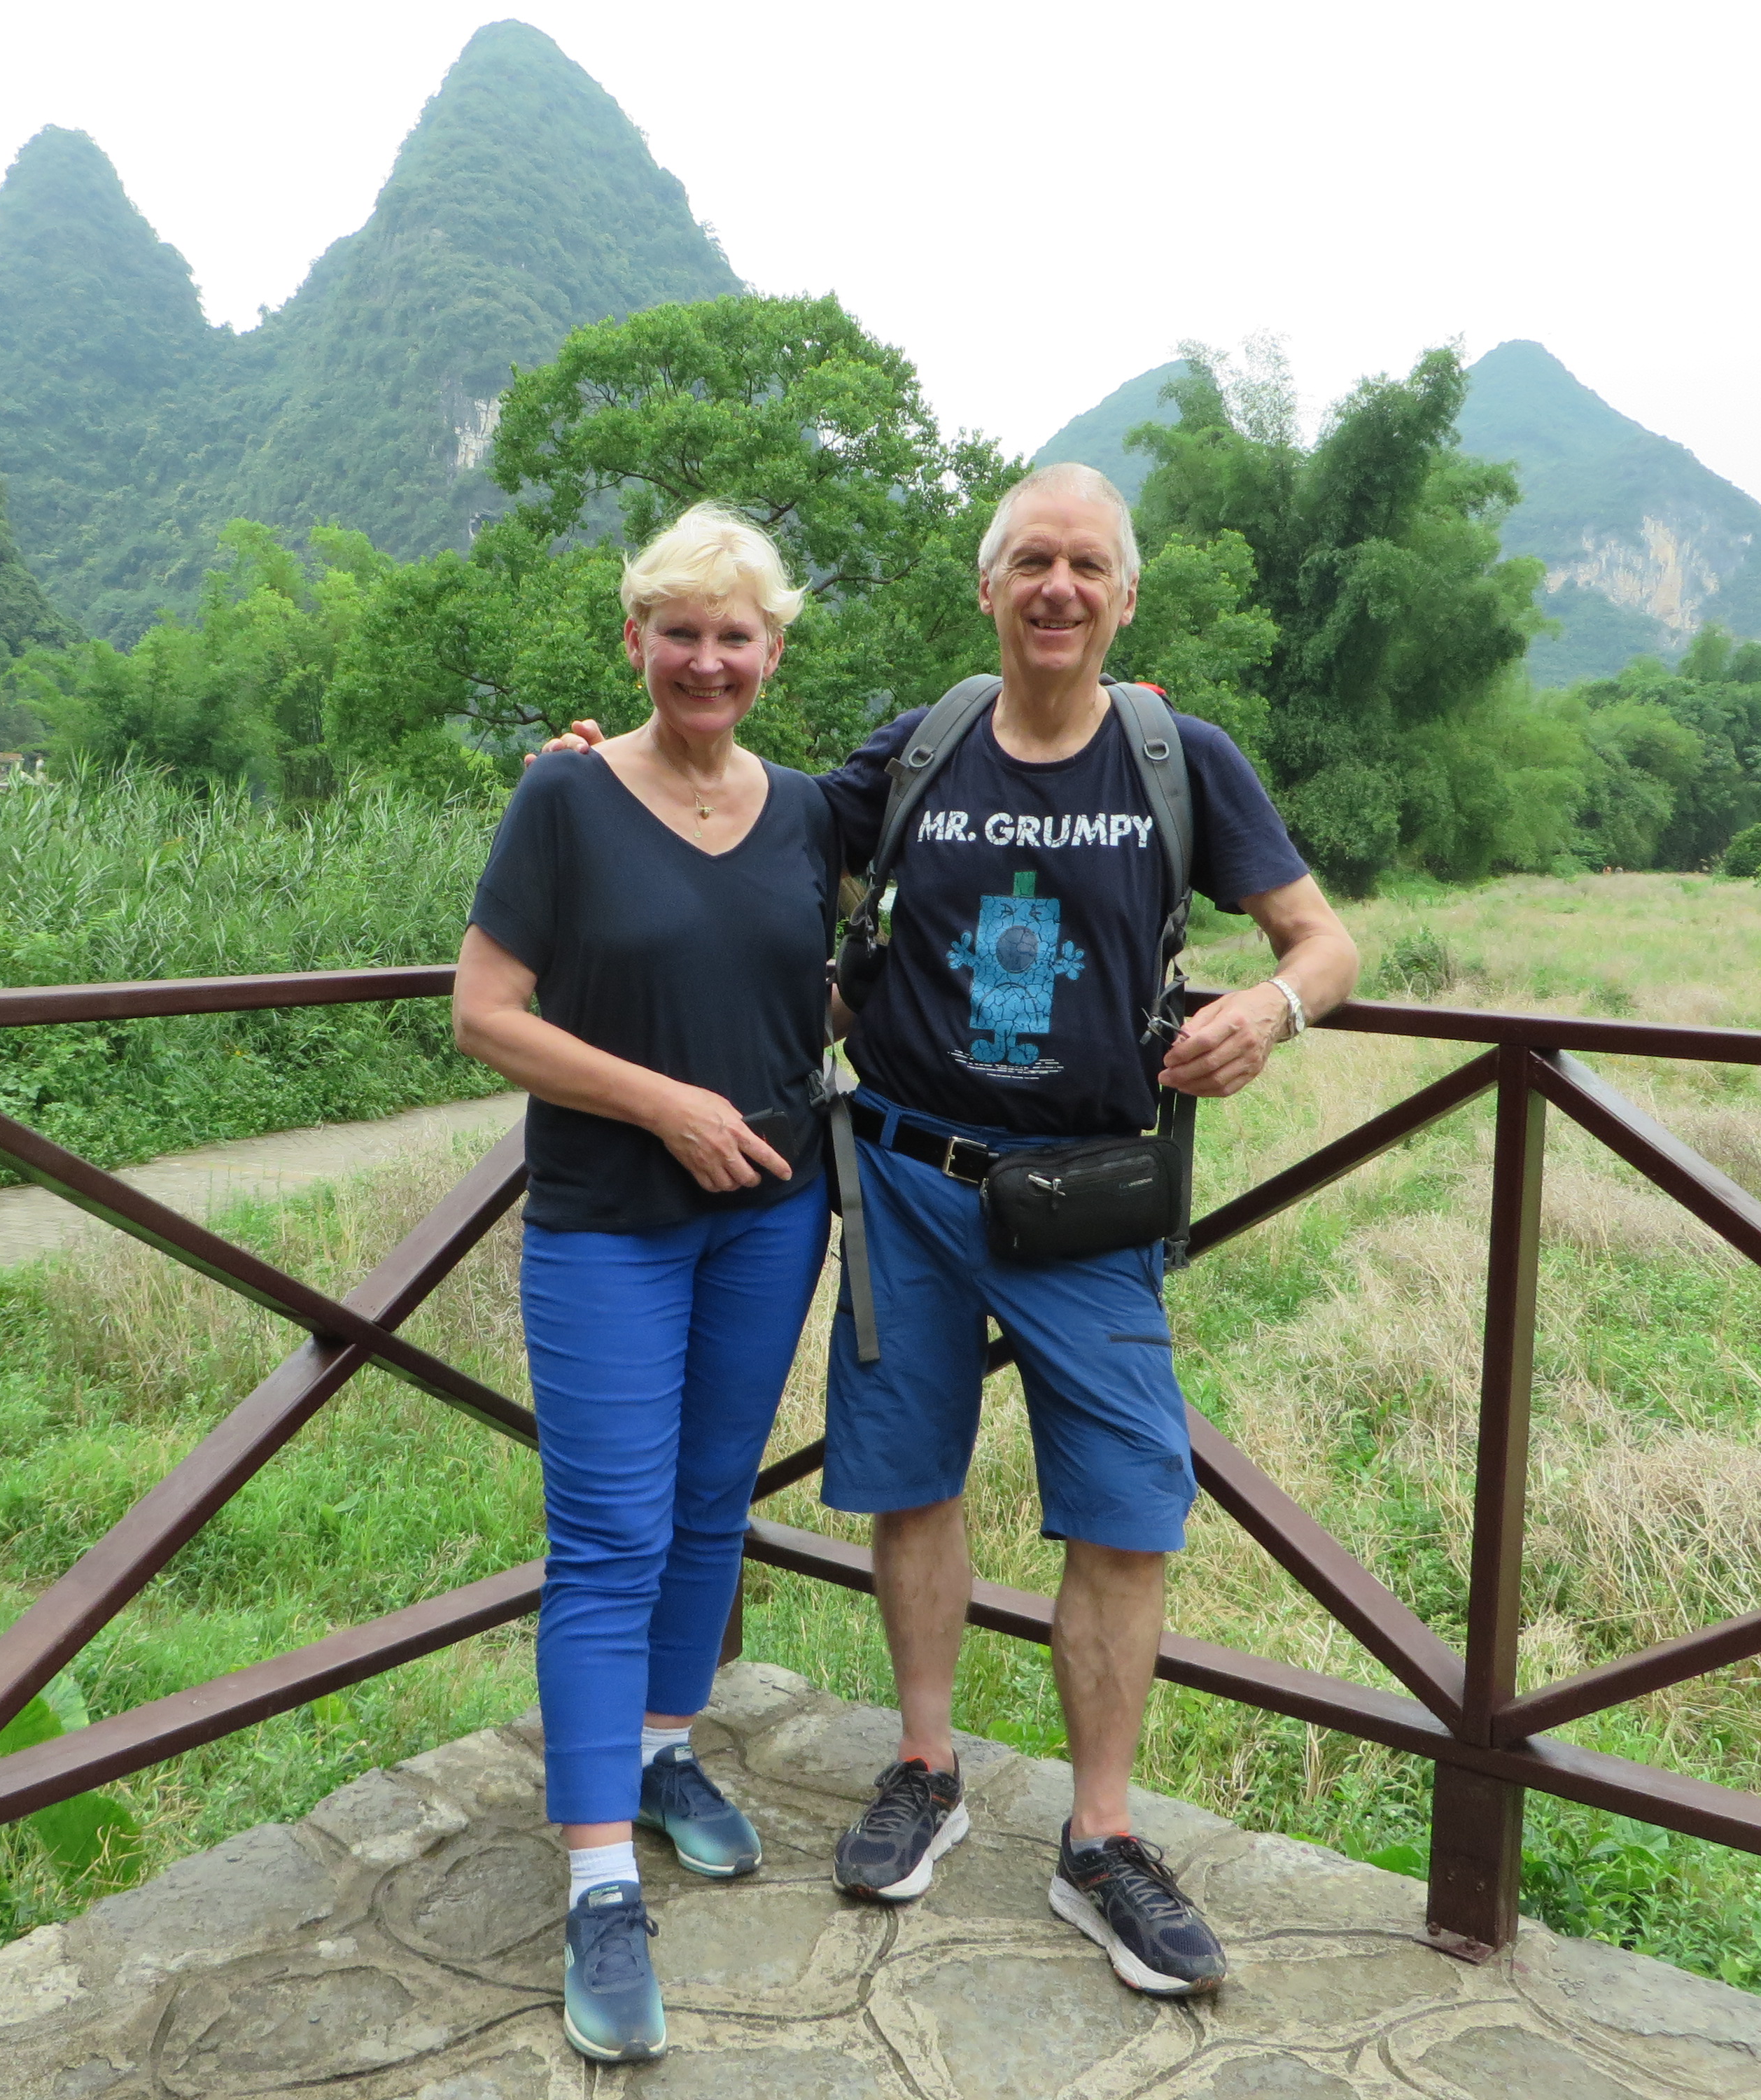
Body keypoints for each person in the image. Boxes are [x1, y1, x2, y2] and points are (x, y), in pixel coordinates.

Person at [539, 461, 1358, 1998]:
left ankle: (1100, 1838)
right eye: (1031, 560)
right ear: (987, 588)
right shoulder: (917, 749)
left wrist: (1270, 1006)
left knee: (1125, 1510)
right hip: (903, 1179)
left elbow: (1323, 940)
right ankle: (925, 1764)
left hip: (1087, 1195)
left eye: (1087, 565)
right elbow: (735, 812)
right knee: (908, 1483)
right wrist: (604, 772)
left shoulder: (1179, 759)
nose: (1058, 587)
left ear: (1125, 598)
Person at [452, 502, 837, 2064]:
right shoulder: (563, 795)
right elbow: (485, 1012)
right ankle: (597, 1883)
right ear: (635, 642)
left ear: (771, 652)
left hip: (772, 1216)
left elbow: (968, 806)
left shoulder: (807, 811)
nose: (706, 660)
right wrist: (664, 1101)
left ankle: (665, 1752)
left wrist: (1121, 726)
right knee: (608, 1539)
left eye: (735, 635)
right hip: (609, 1219)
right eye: (679, 632)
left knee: (707, 1506)